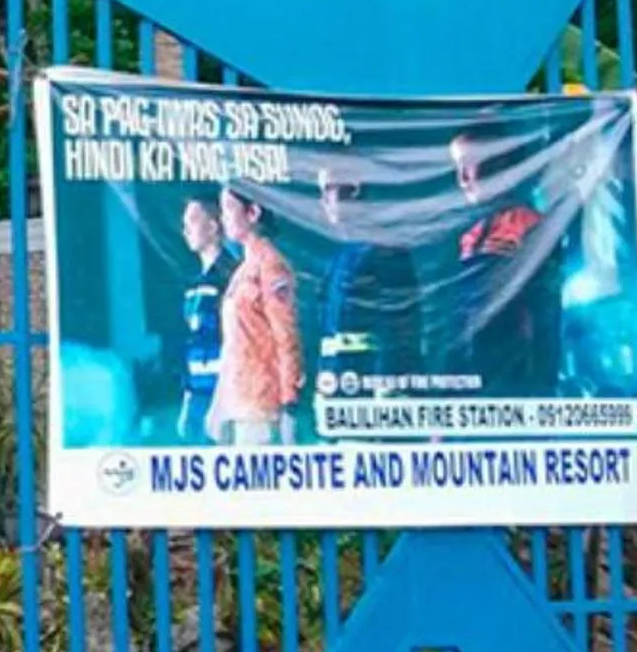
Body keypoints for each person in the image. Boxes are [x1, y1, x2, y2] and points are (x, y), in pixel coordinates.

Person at [448, 121, 565, 397]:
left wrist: (540, 389)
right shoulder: (469, 234)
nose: (462, 178)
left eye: (470, 164)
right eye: (457, 167)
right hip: (471, 380)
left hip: (516, 382)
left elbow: (546, 317)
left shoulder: (531, 226)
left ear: (499, 163)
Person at [315, 159, 423, 395]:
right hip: (341, 382)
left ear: (354, 189)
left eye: (329, 189)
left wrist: (388, 385)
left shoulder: (385, 249)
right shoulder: (340, 256)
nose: (323, 201)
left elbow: (401, 325)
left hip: (372, 386)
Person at [210, 181, 302, 444]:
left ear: (253, 213)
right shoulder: (242, 271)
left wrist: (289, 402)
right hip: (237, 400)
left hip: (261, 403)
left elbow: (286, 335)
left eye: (229, 208)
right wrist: (220, 404)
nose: (223, 217)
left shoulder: (271, 266)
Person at [175, 198, 231, 445]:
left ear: (213, 226)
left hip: (225, 392)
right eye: (184, 222)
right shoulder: (193, 284)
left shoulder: (232, 276)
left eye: (194, 220)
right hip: (198, 390)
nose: (186, 229)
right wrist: (188, 393)